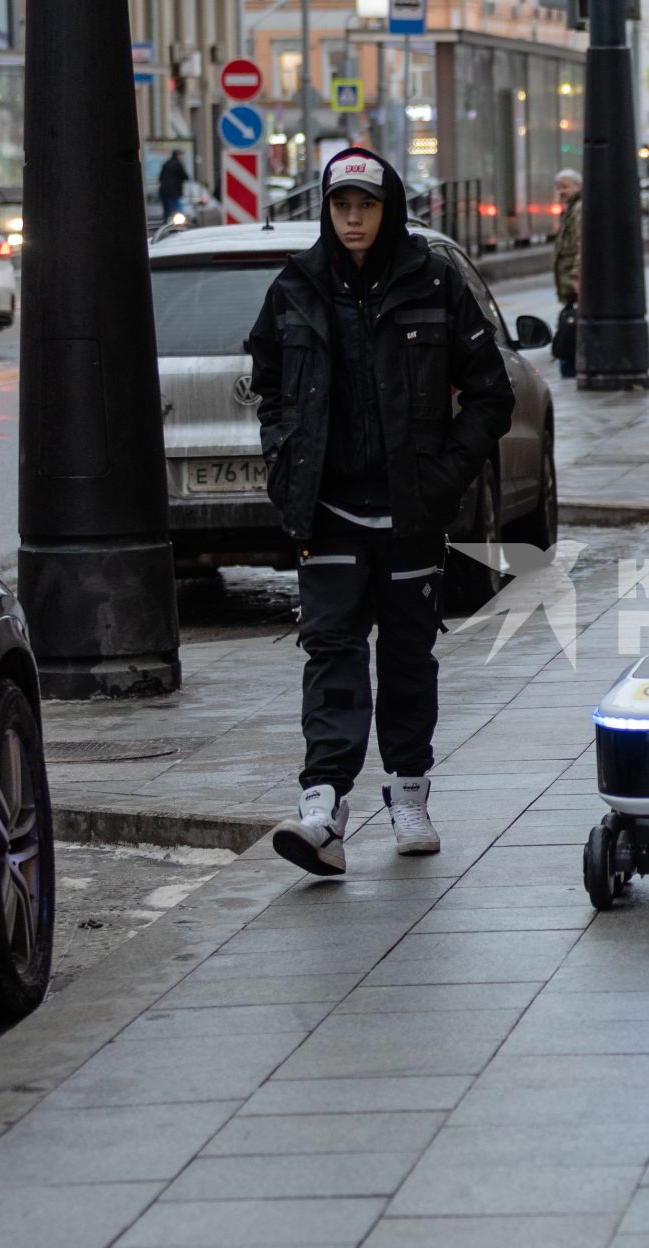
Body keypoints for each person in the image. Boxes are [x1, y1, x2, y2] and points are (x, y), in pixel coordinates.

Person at [246, 147, 517, 878]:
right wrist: (285, 462)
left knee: (405, 659)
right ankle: (324, 806)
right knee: (330, 652)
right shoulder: (297, 288)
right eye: (341, 206)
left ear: (388, 207)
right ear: (327, 211)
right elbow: (268, 385)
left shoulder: (431, 281)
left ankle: (407, 793)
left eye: (366, 205)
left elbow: (492, 393)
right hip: (328, 511)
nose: (354, 218)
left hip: (409, 514)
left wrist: (442, 476)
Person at [553, 168, 583, 378]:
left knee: (571, 330)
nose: (561, 191)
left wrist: (576, 279)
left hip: (576, 285)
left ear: (578, 186)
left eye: (565, 186)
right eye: (559, 187)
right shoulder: (571, 209)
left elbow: (582, 245)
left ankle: (572, 369)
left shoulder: (579, 209)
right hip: (573, 285)